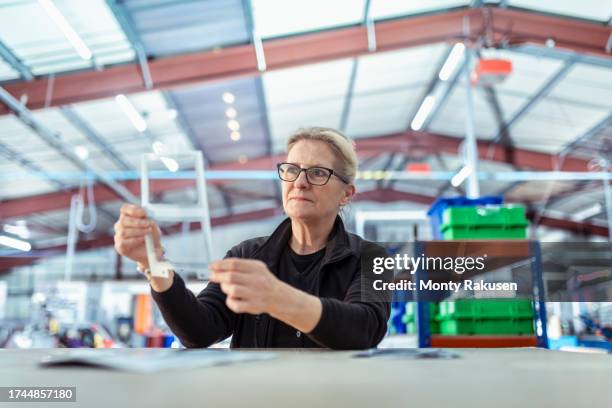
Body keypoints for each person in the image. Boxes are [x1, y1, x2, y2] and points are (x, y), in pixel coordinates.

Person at [114, 127, 390, 349]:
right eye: (292, 169)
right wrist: (154, 262)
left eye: (317, 172)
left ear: (346, 194)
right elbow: (199, 331)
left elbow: (364, 329)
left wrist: (278, 298)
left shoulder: (372, 258)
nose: (299, 182)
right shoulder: (247, 255)